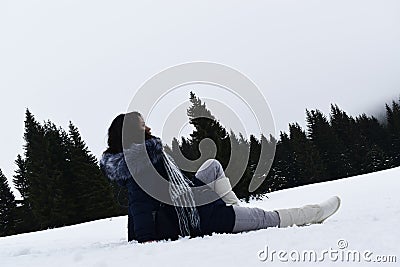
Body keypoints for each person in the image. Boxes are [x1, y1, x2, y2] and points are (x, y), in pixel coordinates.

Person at [100, 112, 341, 243]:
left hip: (190, 201)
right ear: (132, 131)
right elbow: (139, 203)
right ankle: (315, 213)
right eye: (143, 125)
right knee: (262, 217)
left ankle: (235, 209)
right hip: (197, 217)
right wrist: (145, 239)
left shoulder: (146, 157)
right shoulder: (142, 164)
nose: (148, 128)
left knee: (212, 165)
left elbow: (176, 184)